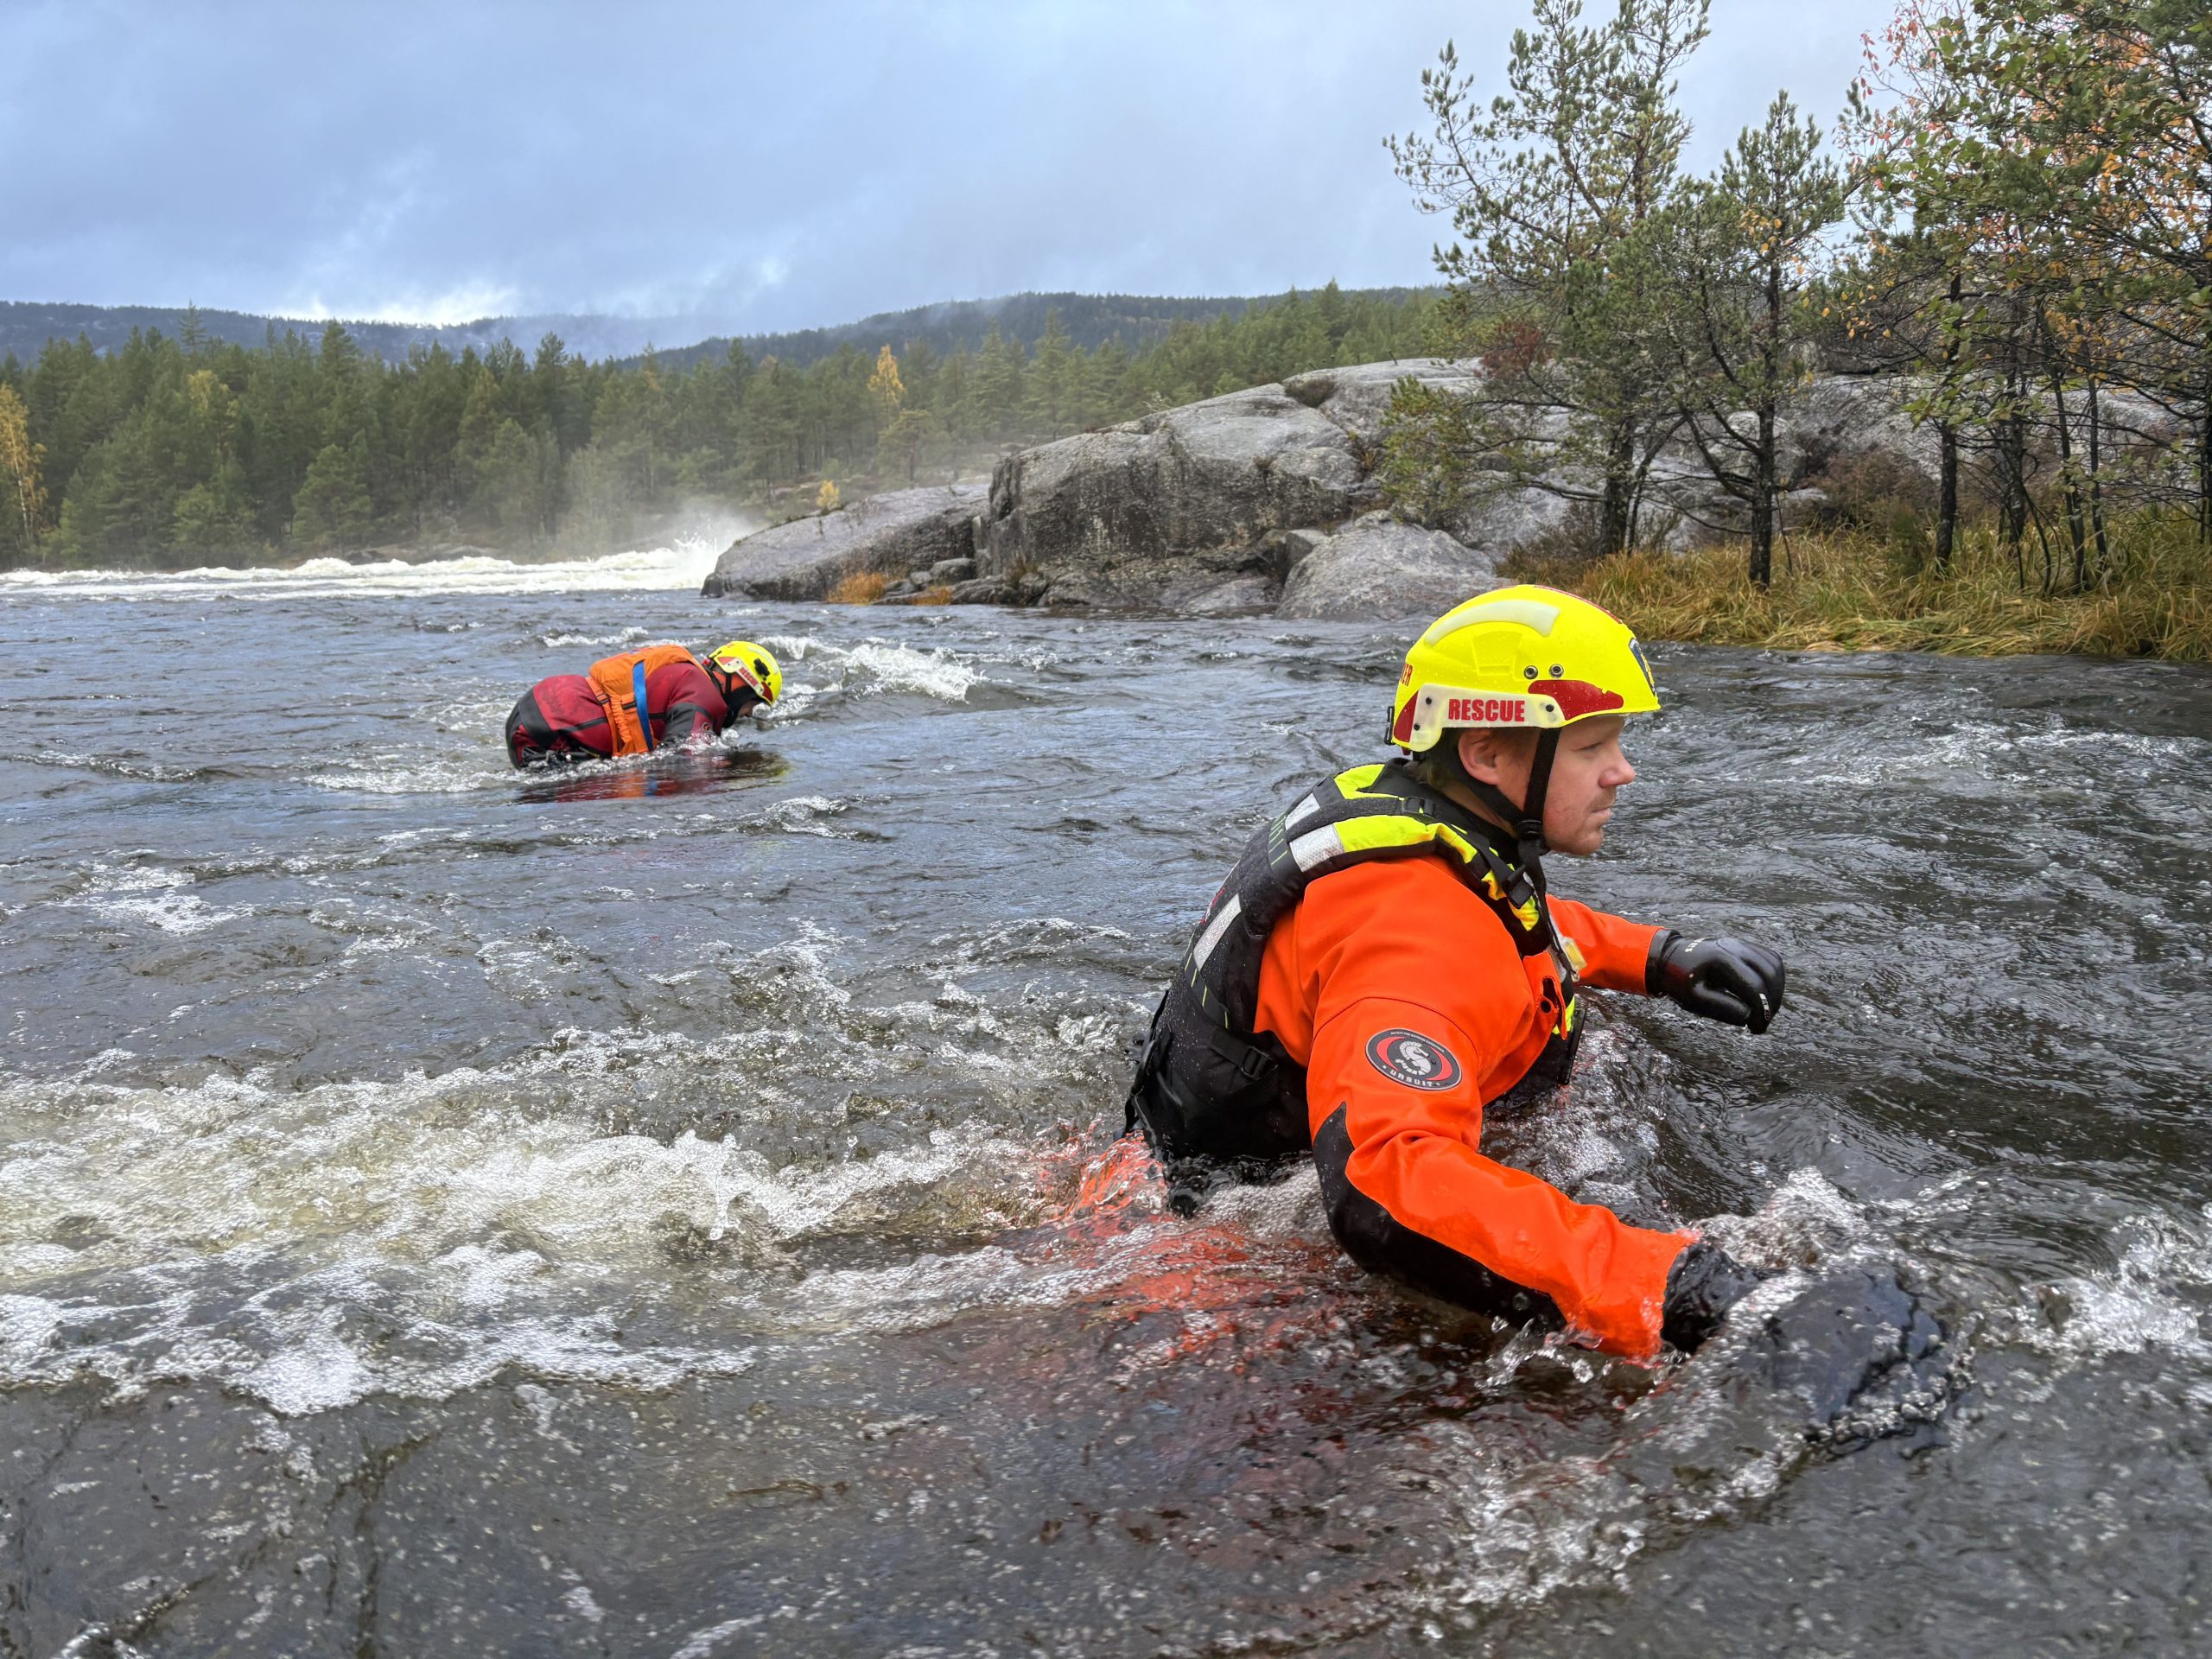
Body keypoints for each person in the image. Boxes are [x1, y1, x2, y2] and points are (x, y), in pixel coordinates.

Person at [1125, 586, 1840, 1361]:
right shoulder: (1413, 926)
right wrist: (1684, 1292)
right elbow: (1387, 1183)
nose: (1622, 772)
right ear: (1487, 753)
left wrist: (1654, 956)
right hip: (1226, 1292)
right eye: (1593, 747)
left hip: (1171, 1180)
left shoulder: (1426, 833)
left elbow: (1508, 923)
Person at [504, 639, 783, 769]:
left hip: (544, 708)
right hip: (555, 730)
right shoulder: (704, 693)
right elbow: (685, 758)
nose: (746, 714)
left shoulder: (686, 674)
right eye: (752, 704)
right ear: (743, 684)